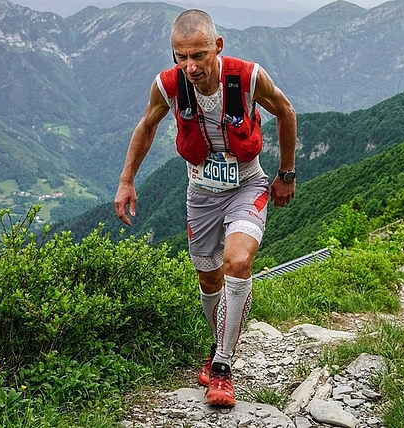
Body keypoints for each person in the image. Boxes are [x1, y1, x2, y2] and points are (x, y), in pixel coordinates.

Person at [113, 9, 297, 407]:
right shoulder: (167, 85)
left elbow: (285, 111)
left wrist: (287, 173)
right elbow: (146, 126)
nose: (191, 66)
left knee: (238, 262)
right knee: (209, 279)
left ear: (218, 46)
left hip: (248, 184)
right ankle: (218, 346)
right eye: (182, 57)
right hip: (201, 192)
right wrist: (127, 180)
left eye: (198, 55)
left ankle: (223, 369)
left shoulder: (247, 78)